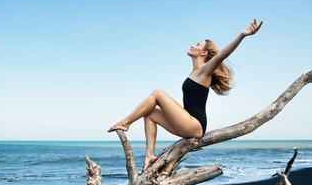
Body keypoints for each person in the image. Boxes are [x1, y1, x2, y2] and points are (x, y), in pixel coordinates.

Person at [108, 19, 263, 172]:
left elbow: (221, 55)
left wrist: (242, 35)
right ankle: (149, 155)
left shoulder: (204, 70)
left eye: (197, 44)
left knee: (157, 94)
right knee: (149, 113)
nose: (192, 45)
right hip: (186, 123)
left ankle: (125, 122)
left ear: (203, 53)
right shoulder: (194, 72)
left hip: (195, 125)